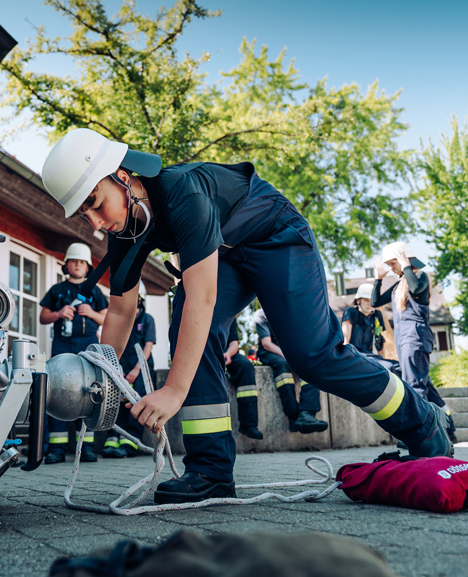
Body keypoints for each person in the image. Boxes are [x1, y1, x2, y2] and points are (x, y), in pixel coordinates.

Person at [40, 128, 452, 504]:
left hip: (279, 238)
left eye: (94, 203)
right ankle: (210, 470)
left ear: (123, 175)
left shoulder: (185, 191)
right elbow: (121, 309)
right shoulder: (126, 230)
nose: (95, 223)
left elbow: (203, 294)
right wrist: (97, 383)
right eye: (84, 215)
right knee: (190, 330)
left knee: (313, 356)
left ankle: (423, 422)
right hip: (229, 253)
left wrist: (173, 391)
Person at [373, 242, 457, 443]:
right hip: (405, 341)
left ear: (404, 259)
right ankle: (449, 429)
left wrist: (405, 265)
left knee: (414, 387)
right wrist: (378, 279)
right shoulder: (400, 283)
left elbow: (418, 288)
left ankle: (420, 435)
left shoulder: (418, 276)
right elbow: (376, 302)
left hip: (415, 338)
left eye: (393, 263)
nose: (392, 268)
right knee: (425, 386)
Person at [40, 242, 109, 464]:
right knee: (56, 391)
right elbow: (43, 317)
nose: (78, 265)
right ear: (66, 265)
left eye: (82, 262)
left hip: (87, 345)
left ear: (88, 266)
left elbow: (107, 319)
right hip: (62, 345)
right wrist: (59, 313)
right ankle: (57, 449)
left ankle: (85, 448)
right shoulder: (57, 290)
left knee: (87, 393)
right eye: (74, 261)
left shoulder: (96, 291)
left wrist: (91, 313)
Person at [254, 308, 329, 434]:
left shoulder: (290, 310)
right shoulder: (261, 314)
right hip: (269, 352)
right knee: (283, 367)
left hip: (289, 352)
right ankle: (294, 417)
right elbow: (267, 343)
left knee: (309, 364)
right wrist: (288, 355)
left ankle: (307, 414)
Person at [103, 282, 156, 458]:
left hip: (140, 369)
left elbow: (147, 347)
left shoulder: (147, 319)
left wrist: (136, 370)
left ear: (140, 299)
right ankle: (112, 441)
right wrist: (117, 369)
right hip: (121, 368)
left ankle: (130, 444)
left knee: (135, 403)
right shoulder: (122, 320)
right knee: (116, 404)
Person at [341, 282, 401, 377]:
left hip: (370, 356)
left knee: (399, 366)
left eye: (371, 300)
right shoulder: (351, 312)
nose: (369, 303)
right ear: (358, 301)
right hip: (355, 356)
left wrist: (383, 358)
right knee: (388, 367)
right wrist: (345, 361)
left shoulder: (377, 315)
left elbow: (379, 341)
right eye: (366, 300)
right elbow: (345, 339)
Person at [225, 320, 263, 440]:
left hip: (226, 353)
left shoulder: (228, 311)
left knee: (245, 365)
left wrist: (227, 354)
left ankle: (248, 424)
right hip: (204, 352)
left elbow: (234, 344)